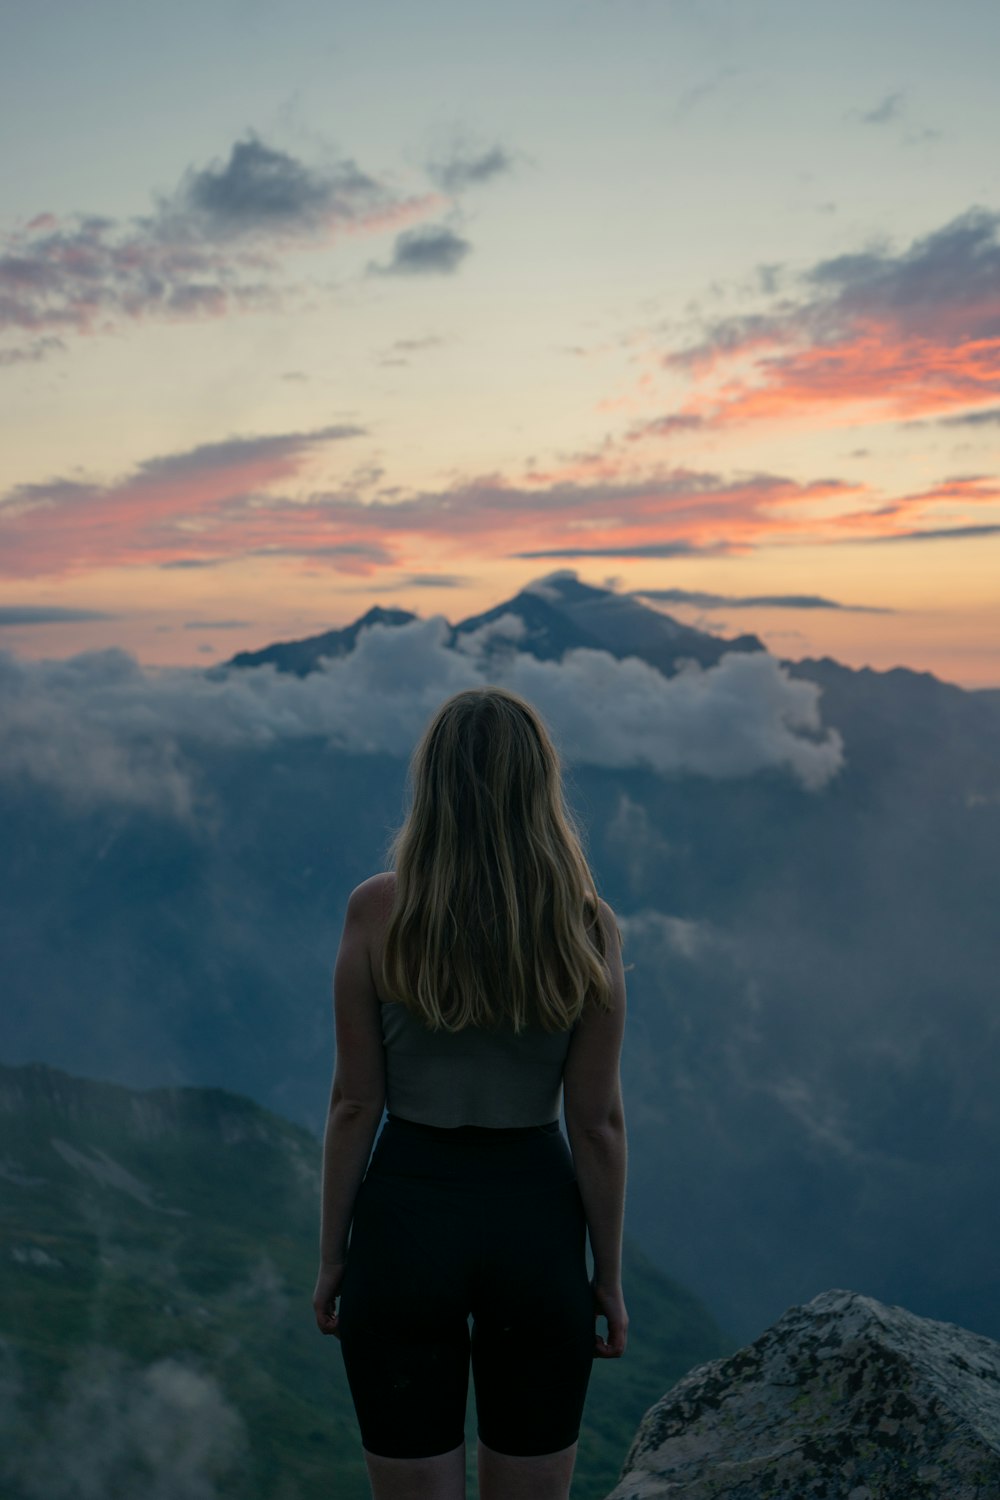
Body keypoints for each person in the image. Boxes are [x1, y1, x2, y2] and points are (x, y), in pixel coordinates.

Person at [311, 685, 628, 1500]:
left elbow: (354, 1103)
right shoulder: (587, 926)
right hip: (537, 1221)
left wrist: (333, 1255)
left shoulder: (378, 912)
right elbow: (597, 1125)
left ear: (433, 784)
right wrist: (606, 1276)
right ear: (541, 785)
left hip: (407, 1219)